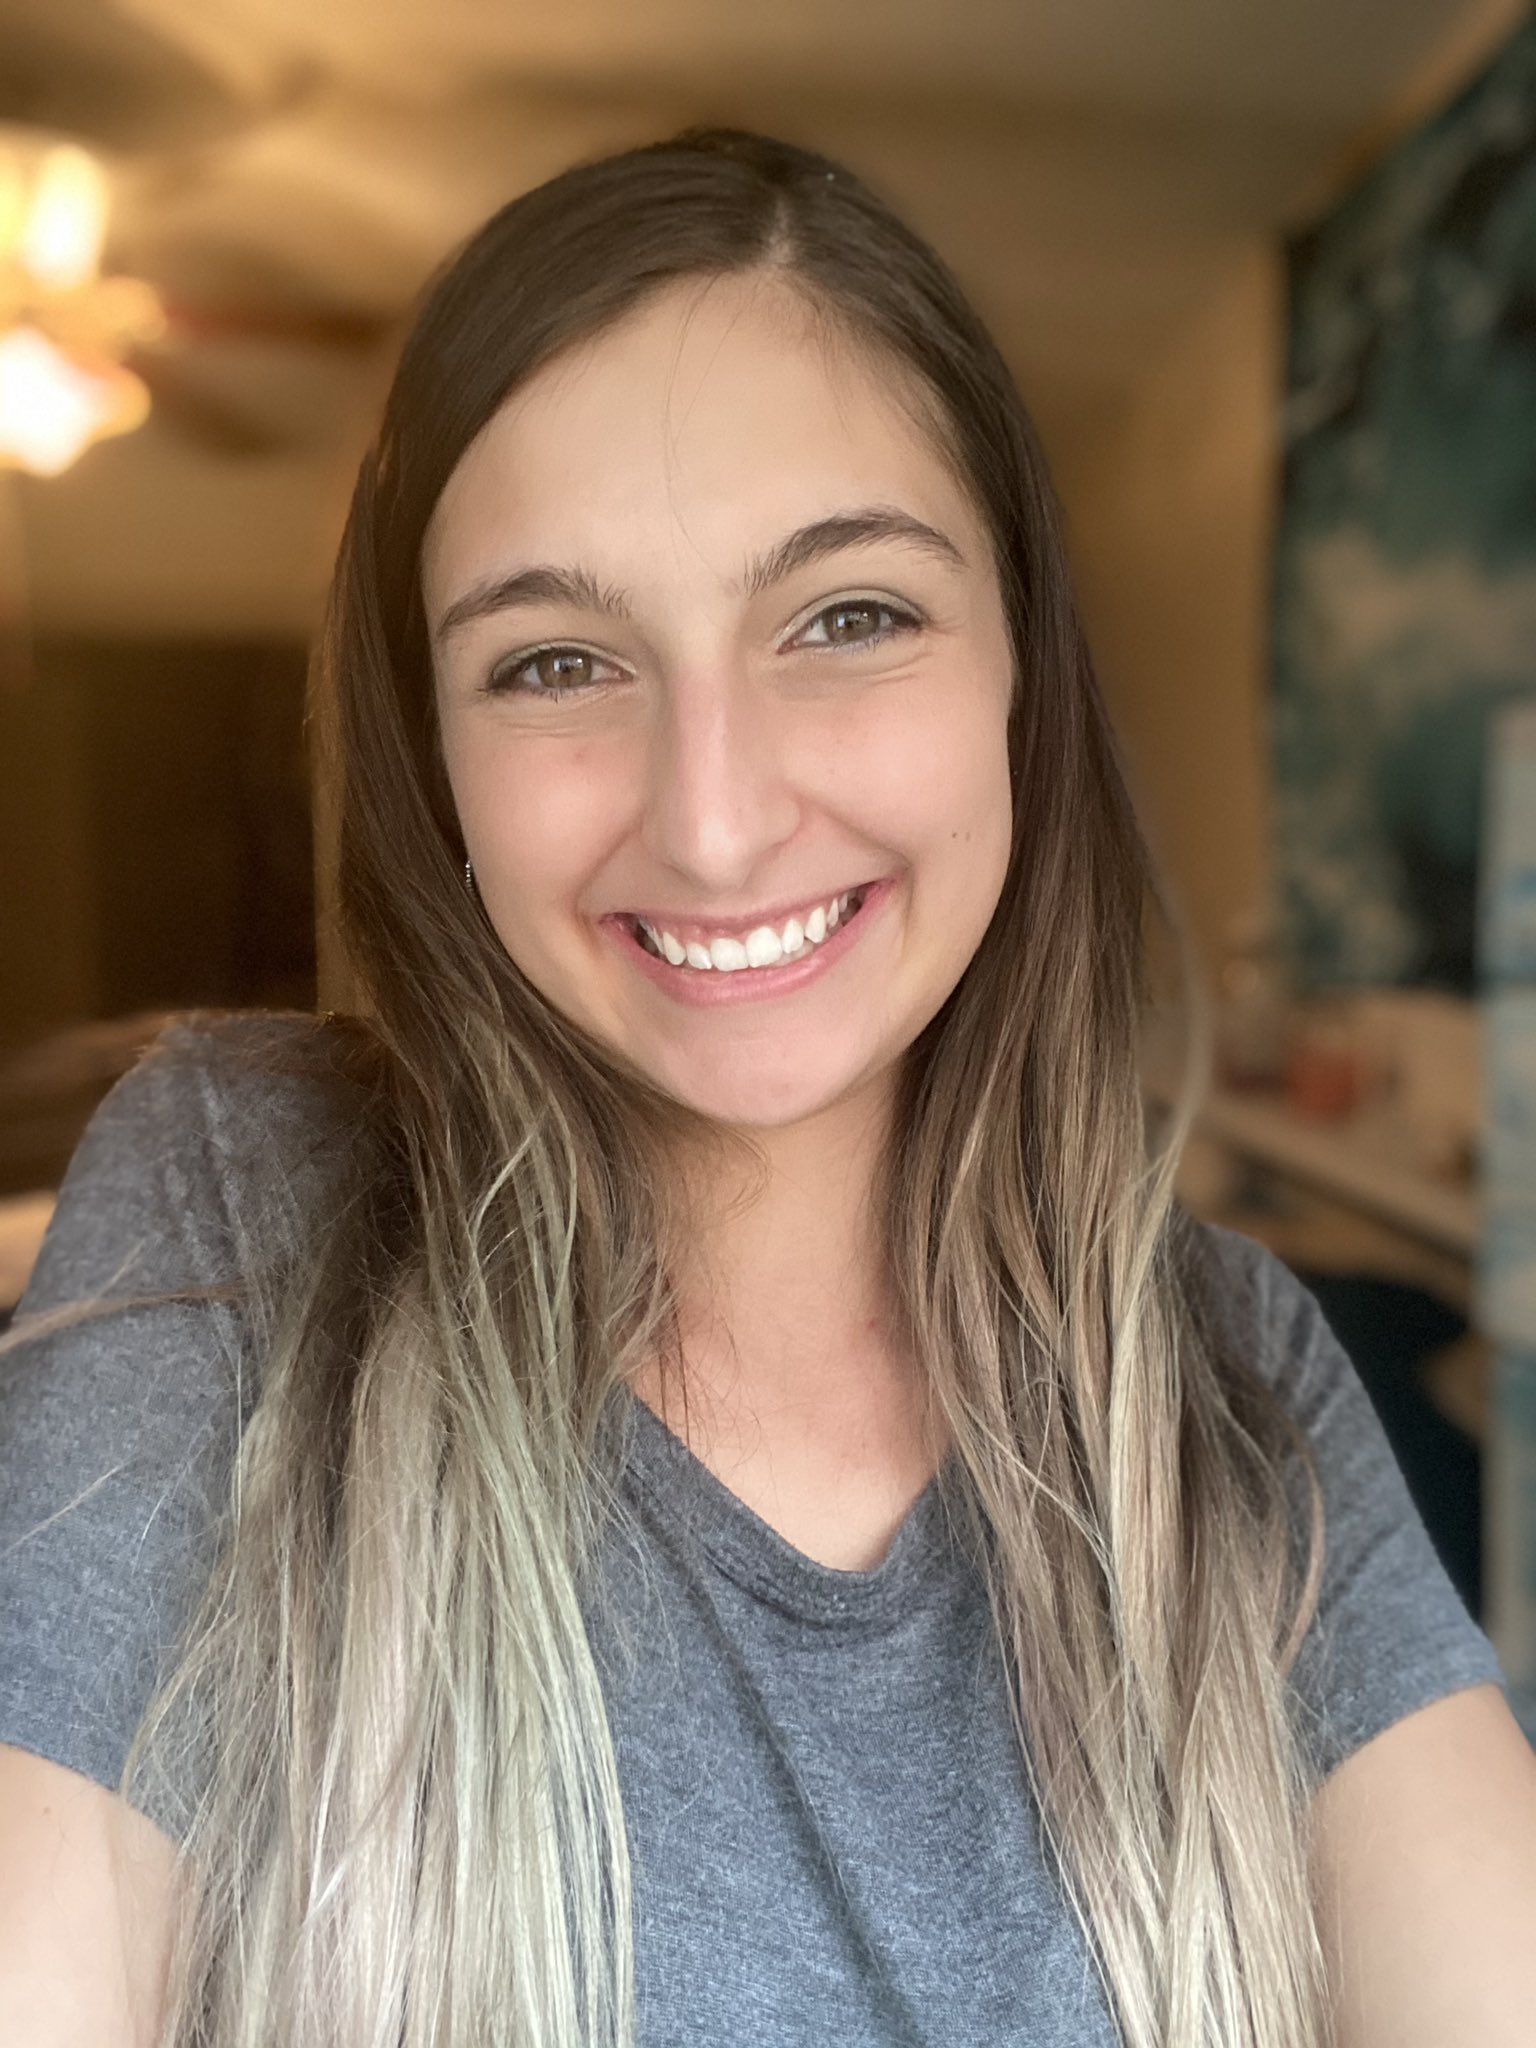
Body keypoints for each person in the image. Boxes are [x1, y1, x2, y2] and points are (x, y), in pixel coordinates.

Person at [0, 126, 1532, 2048]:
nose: (714, 823)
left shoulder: (1229, 1384)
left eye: (848, 617)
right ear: (435, 769)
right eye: (554, 663)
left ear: (1020, 672)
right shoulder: (242, 1209)